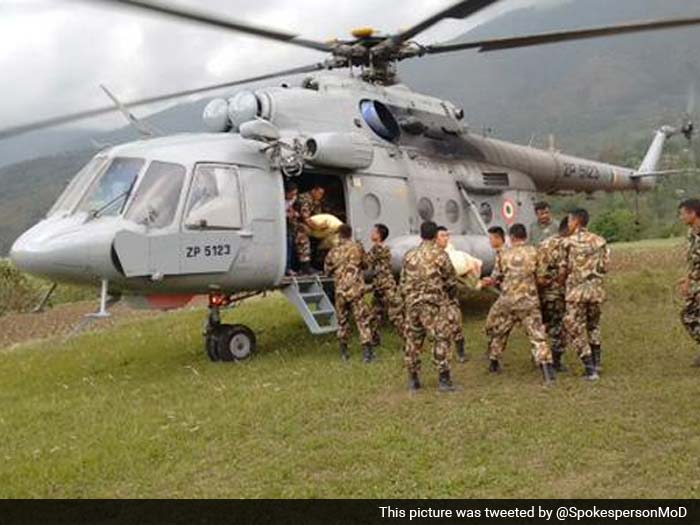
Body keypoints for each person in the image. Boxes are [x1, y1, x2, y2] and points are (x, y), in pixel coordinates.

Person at [482, 223, 556, 384]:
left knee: (501, 331)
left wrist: (486, 281)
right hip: (529, 301)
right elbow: (542, 277)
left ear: (512, 237)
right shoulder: (535, 252)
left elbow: (495, 277)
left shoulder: (503, 255)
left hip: (508, 300)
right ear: (525, 237)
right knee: (537, 335)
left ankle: (494, 363)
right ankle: (547, 372)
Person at [400, 221, 458, 392]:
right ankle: (444, 380)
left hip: (412, 304)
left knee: (413, 340)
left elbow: (403, 281)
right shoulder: (440, 255)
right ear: (435, 236)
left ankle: (413, 380)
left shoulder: (409, 255)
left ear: (421, 235)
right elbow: (450, 281)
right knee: (440, 338)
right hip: (433, 305)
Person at [560, 208, 609, 381]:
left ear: (575, 222)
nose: (568, 224)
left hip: (576, 293)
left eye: (569, 221)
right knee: (593, 326)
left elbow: (562, 269)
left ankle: (589, 367)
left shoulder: (568, 243)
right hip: (595, 291)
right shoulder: (600, 241)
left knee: (574, 326)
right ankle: (597, 362)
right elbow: (605, 267)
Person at [324, 224, 375, 363]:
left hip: (340, 291)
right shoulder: (357, 248)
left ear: (339, 235)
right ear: (350, 234)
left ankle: (344, 352)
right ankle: (367, 354)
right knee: (362, 321)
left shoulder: (333, 251)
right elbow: (366, 264)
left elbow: (327, 270)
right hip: (356, 290)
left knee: (342, 322)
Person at [537, 217, 570, 372]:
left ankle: (540, 357)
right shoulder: (567, 245)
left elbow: (540, 273)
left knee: (543, 325)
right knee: (559, 327)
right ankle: (556, 361)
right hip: (559, 293)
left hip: (544, 293)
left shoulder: (545, 244)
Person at [366, 223, 404, 347]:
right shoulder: (381, 248)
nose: (371, 233)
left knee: (396, 315)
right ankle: (374, 340)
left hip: (386, 286)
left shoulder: (378, 249)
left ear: (379, 235)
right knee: (374, 315)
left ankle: (410, 341)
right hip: (379, 286)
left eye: (374, 232)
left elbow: (366, 262)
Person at [436, 226, 468, 363]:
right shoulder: (433, 255)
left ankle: (460, 352)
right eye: (442, 236)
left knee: (456, 324)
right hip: (435, 298)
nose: (446, 238)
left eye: (447, 236)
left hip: (449, 297)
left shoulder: (450, 252)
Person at [678, 198, 700, 367]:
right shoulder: (691, 233)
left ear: (693, 213)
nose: (681, 217)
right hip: (696, 282)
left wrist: (691, 280)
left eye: (683, 213)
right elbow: (694, 260)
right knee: (688, 315)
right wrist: (688, 278)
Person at [295, 184, 327, 275]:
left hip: (308, 225)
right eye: (320, 193)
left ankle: (317, 264)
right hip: (297, 225)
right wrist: (316, 228)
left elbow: (318, 216)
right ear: (314, 191)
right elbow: (305, 218)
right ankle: (305, 267)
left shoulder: (316, 201)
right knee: (303, 236)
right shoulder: (305, 199)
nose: (321, 196)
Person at [284, 182, 300, 276]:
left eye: (295, 194)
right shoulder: (280, 199)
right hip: (282, 223)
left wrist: (293, 213)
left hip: (290, 224)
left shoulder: (293, 199)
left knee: (291, 243)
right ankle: (286, 268)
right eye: (292, 194)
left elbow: (290, 208)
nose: (293, 196)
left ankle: (290, 267)